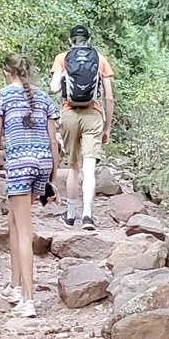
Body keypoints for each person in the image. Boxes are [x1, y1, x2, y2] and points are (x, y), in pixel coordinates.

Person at [0, 54, 60, 318]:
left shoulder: (1, 97)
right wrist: (52, 178)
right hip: (42, 162)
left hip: (19, 163)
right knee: (15, 223)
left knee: (25, 231)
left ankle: (28, 300)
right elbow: (53, 143)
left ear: (7, 72)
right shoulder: (43, 98)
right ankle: (15, 286)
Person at [48, 24, 114, 230]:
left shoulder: (63, 58)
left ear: (71, 41)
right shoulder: (99, 58)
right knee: (90, 168)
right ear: (88, 40)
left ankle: (70, 216)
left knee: (74, 167)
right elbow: (109, 97)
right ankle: (87, 215)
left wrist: (61, 78)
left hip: (69, 114)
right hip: (93, 114)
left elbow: (54, 88)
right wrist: (107, 127)